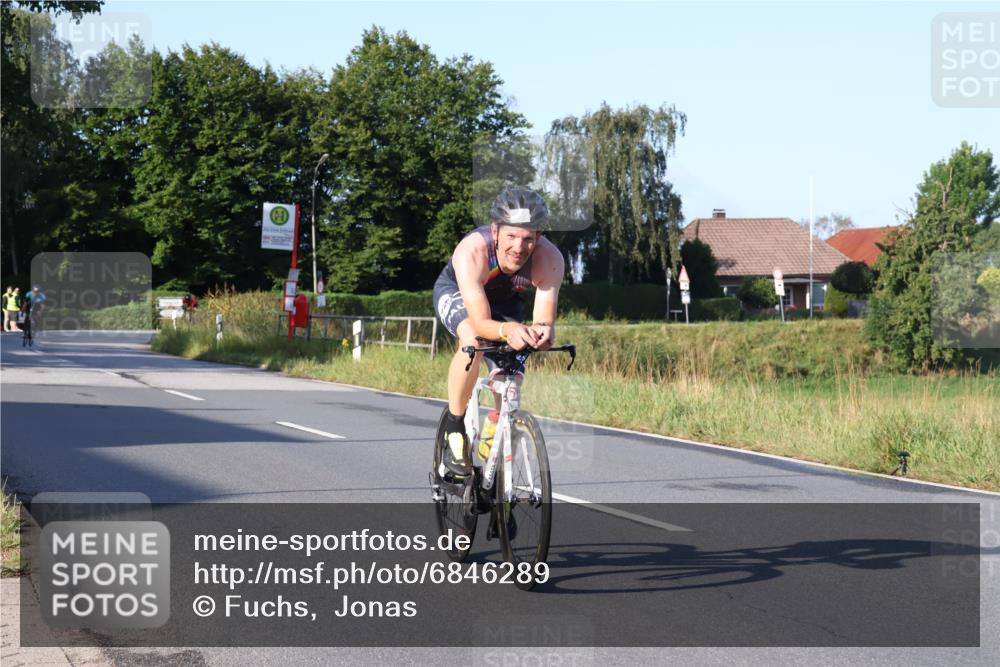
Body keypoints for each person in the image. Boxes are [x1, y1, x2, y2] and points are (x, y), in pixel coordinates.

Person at [432, 186, 565, 478]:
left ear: (539, 237)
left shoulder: (550, 260)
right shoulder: (473, 250)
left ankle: (501, 495)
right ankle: (455, 429)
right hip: (458, 293)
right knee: (473, 340)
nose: (519, 247)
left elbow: (544, 322)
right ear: (495, 231)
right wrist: (507, 329)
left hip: (505, 303)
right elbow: (480, 322)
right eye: (512, 236)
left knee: (512, 383)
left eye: (528, 239)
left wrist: (540, 336)